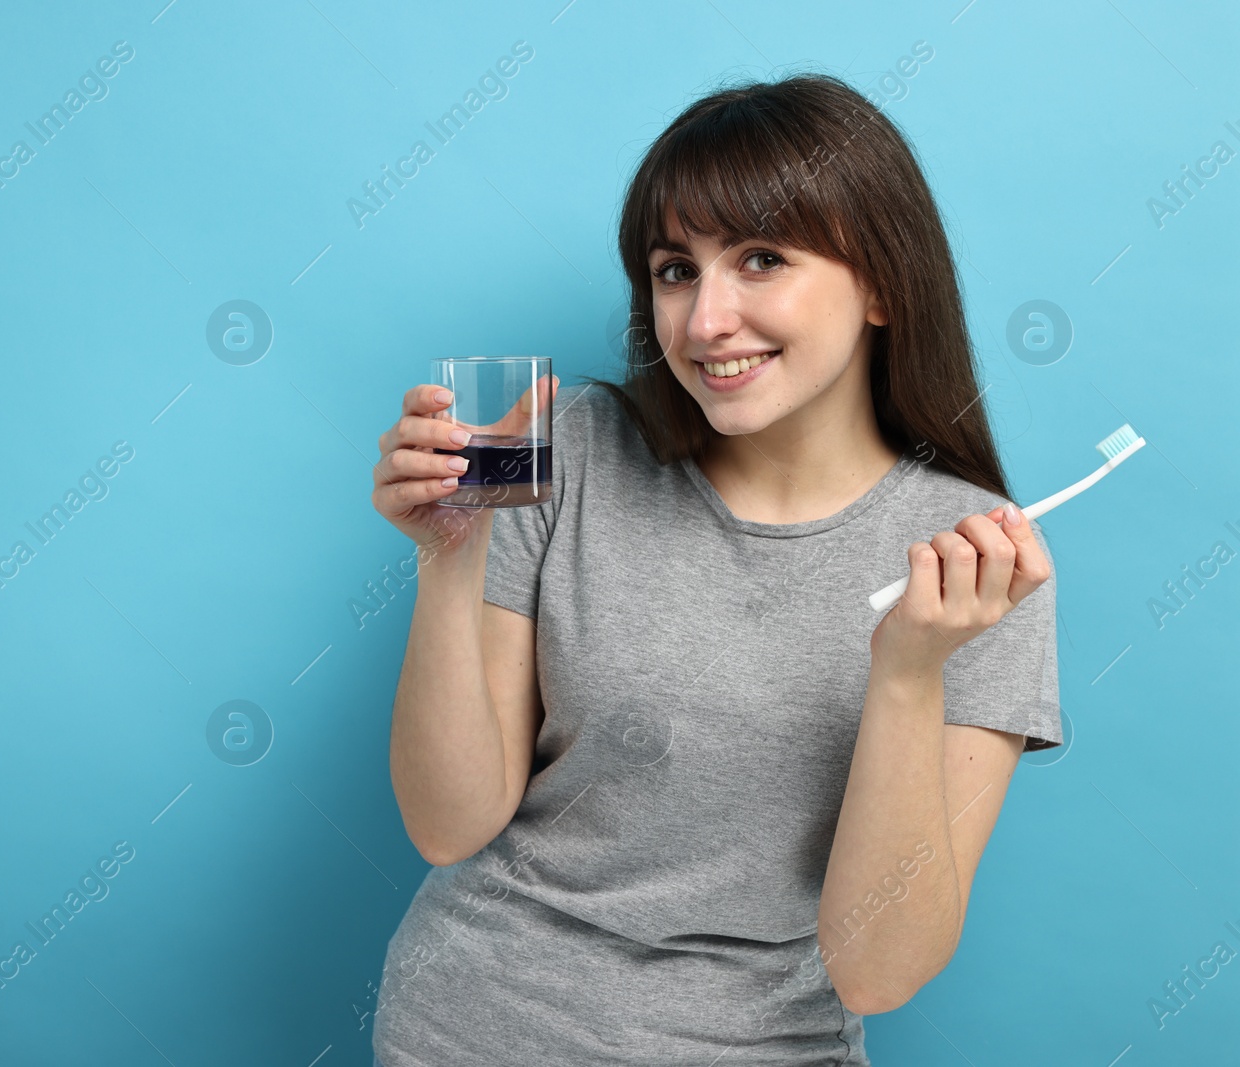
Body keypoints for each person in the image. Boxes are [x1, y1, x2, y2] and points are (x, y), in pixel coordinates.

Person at [366, 71, 1062, 1066]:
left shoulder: (978, 560)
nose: (702, 323)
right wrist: (449, 556)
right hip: (466, 1029)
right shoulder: (567, 446)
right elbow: (447, 825)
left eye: (761, 259)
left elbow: (877, 970)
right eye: (675, 270)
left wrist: (906, 671)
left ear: (880, 282)